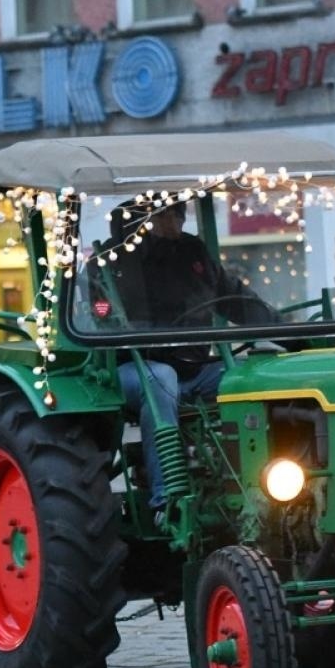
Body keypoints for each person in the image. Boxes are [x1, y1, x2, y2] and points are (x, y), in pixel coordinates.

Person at [115, 200, 232, 520]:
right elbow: (102, 317)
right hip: (133, 368)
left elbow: (235, 297)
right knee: (162, 379)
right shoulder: (118, 259)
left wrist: (287, 334)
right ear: (145, 219)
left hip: (195, 366)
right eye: (164, 215)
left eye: (177, 213)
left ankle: (244, 485)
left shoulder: (195, 253)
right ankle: (167, 501)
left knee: (242, 376)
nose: (173, 221)